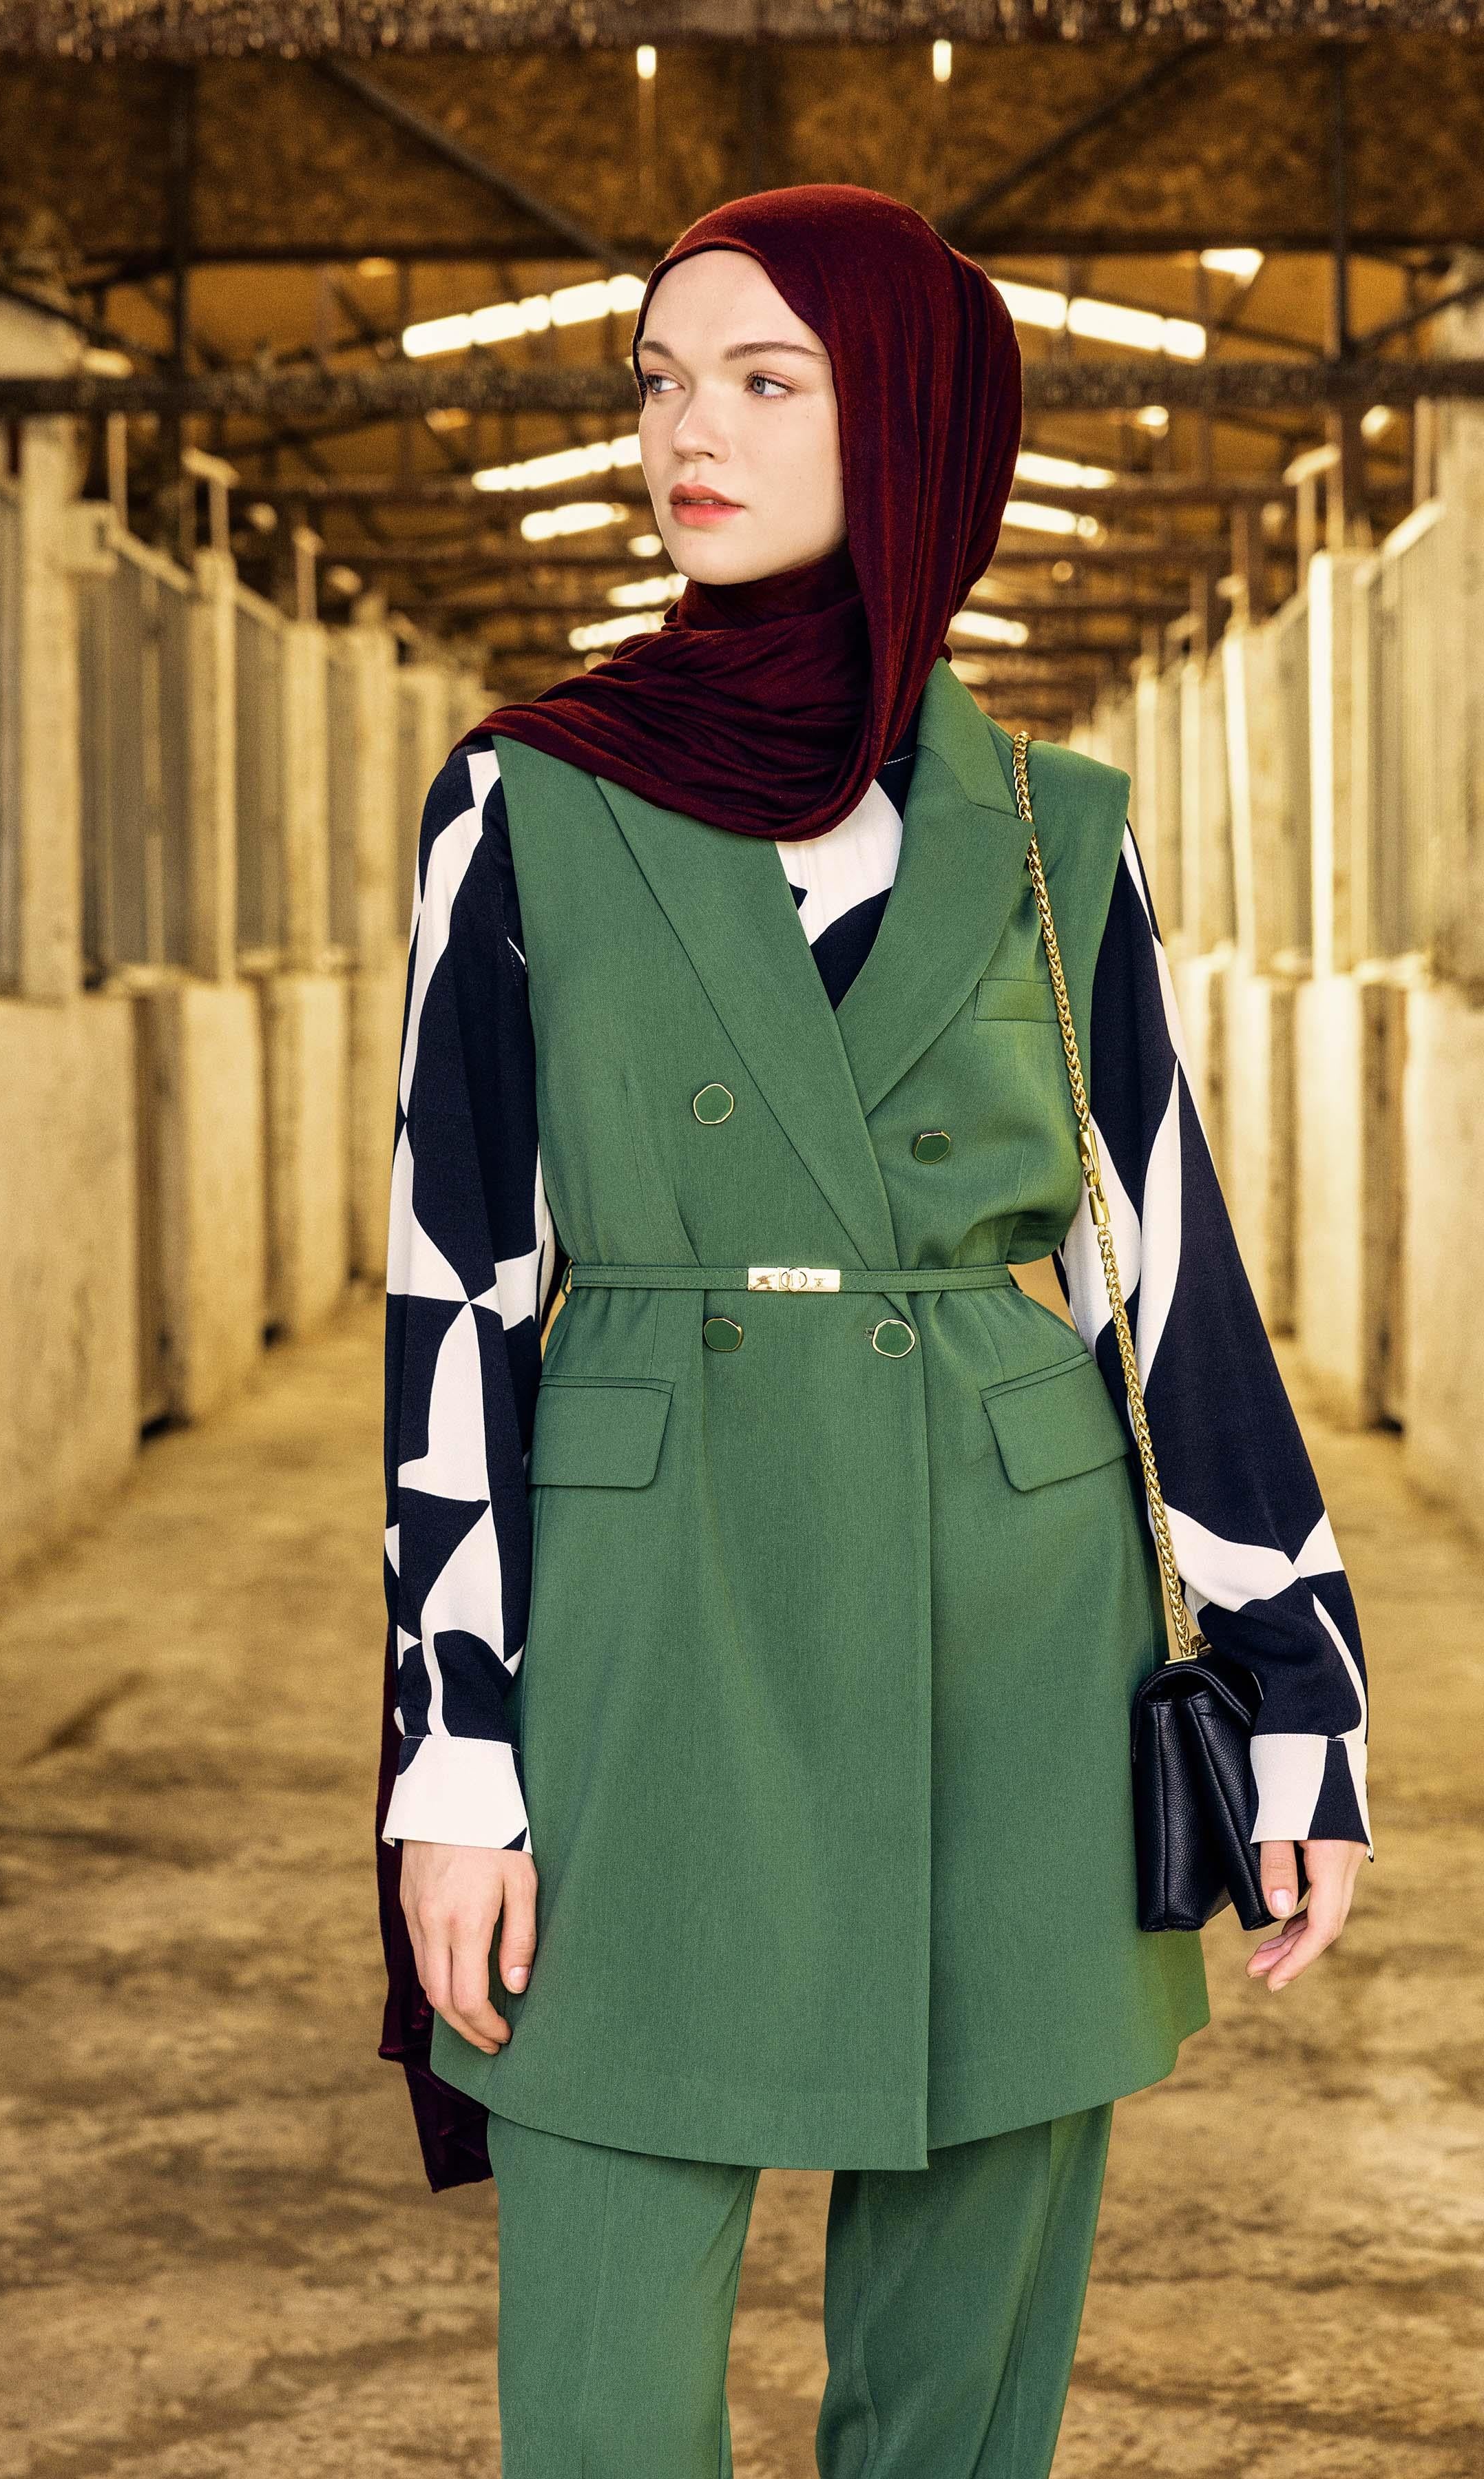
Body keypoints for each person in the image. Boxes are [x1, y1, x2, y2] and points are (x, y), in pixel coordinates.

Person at [373, 183, 1371, 2478]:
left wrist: (1301, 1692)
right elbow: (458, 1294)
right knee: (604, 2354)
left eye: (765, 380)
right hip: (650, 1607)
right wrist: (453, 1757)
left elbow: (1167, 1266)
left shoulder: (1050, 824)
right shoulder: (526, 799)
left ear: (912, 423)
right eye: (659, 381)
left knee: (970, 2365)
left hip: (1014, 1614)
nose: (685, 435)